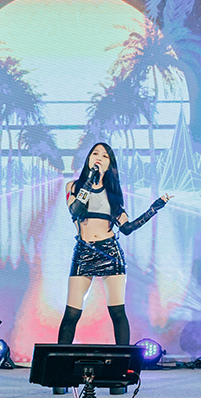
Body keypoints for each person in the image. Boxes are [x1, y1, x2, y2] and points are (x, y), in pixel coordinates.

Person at [57, 142, 169, 345]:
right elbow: (75, 209)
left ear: (109, 164)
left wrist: (153, 209)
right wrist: (90, 181)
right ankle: (58, 364)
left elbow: (126, 228)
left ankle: (123, 362)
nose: (99, 158)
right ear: (89, 159)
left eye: (105, 156)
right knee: (71, 314)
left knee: (117, 313)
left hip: (110, 252)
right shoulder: (73, 187)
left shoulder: (113, 193)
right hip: (84, 251)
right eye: (95, 154)